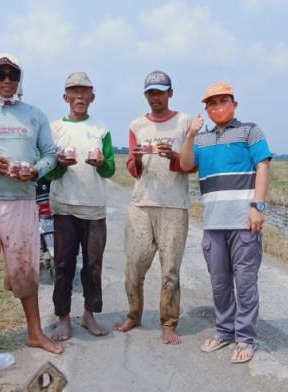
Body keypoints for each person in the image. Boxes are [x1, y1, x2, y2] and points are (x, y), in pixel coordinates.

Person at [0, 53, 63, 354]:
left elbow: (50, 154)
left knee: (25, 268)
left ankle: (35, 332)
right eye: (0, 74)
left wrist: (35, 171)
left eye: (12, 75)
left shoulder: (34, 114)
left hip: (21, 201)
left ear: (20, 80)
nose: (7, 80)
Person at [179, 82, 273, 364]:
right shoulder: (201, 139)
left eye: (223, 101)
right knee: (219, 283)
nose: (217, 107)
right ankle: (224, 331)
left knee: (245, 283)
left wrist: (258, 206)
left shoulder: (249, 131)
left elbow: (263, 166)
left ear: (234, 104)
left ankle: (244, 337)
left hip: (244, 222)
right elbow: (185, 165)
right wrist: (190, 135)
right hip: (213, 223)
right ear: (206, 110)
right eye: (211, 103)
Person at [113, 70, 196, 345]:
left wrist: (173, 155)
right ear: (145, 96)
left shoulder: (185, 123)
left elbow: (191, 165)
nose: (155, 98)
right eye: (151, 93)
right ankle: (134, 314)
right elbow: (134, 170)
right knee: (134, 265)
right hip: (141, 203)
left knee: (170, 268)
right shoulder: (137, 125)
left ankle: (168, 323)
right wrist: (135, 159)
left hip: (174, 204)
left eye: (160, 92)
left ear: (170, 93)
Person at [44, 72, 116, 340]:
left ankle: (89, 315)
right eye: (74, 92)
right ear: (65, 97)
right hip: (64, 207)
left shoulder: (101, 129)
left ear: (92, 98)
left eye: (84, 92)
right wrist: (60, 166)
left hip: (94, 208)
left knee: (93, 264)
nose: (79, 97)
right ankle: (63, 318)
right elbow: (48, 171)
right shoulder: (54, 129)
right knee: (63, 264)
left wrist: (102, 164)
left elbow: (109, 169)